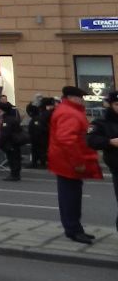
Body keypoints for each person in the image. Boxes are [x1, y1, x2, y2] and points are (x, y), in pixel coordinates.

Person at [49, 86, 101, 243]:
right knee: (70, 198)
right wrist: (78, 162)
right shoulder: (69, 112)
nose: (82, 100)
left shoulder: (67, 110)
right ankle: (73, 230)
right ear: (72, 97)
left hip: (65, 161)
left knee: (71, 196)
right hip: (68, 163)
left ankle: (74, 228)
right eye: (80, 97)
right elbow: (67, 140)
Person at [85, 90, 118, 232]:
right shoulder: (102, 122)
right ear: (110, 105)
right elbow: (90, 139)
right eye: (117, 104)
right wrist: (109, 141)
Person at [0, 98, 26, 182]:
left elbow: (5, 133)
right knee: (15, 158)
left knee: (13, 158)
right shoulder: (12, 118)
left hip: (11, 142)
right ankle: (15, 174)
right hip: (14, 142)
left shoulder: (7, 120)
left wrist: (0, 142)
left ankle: (14, 174)